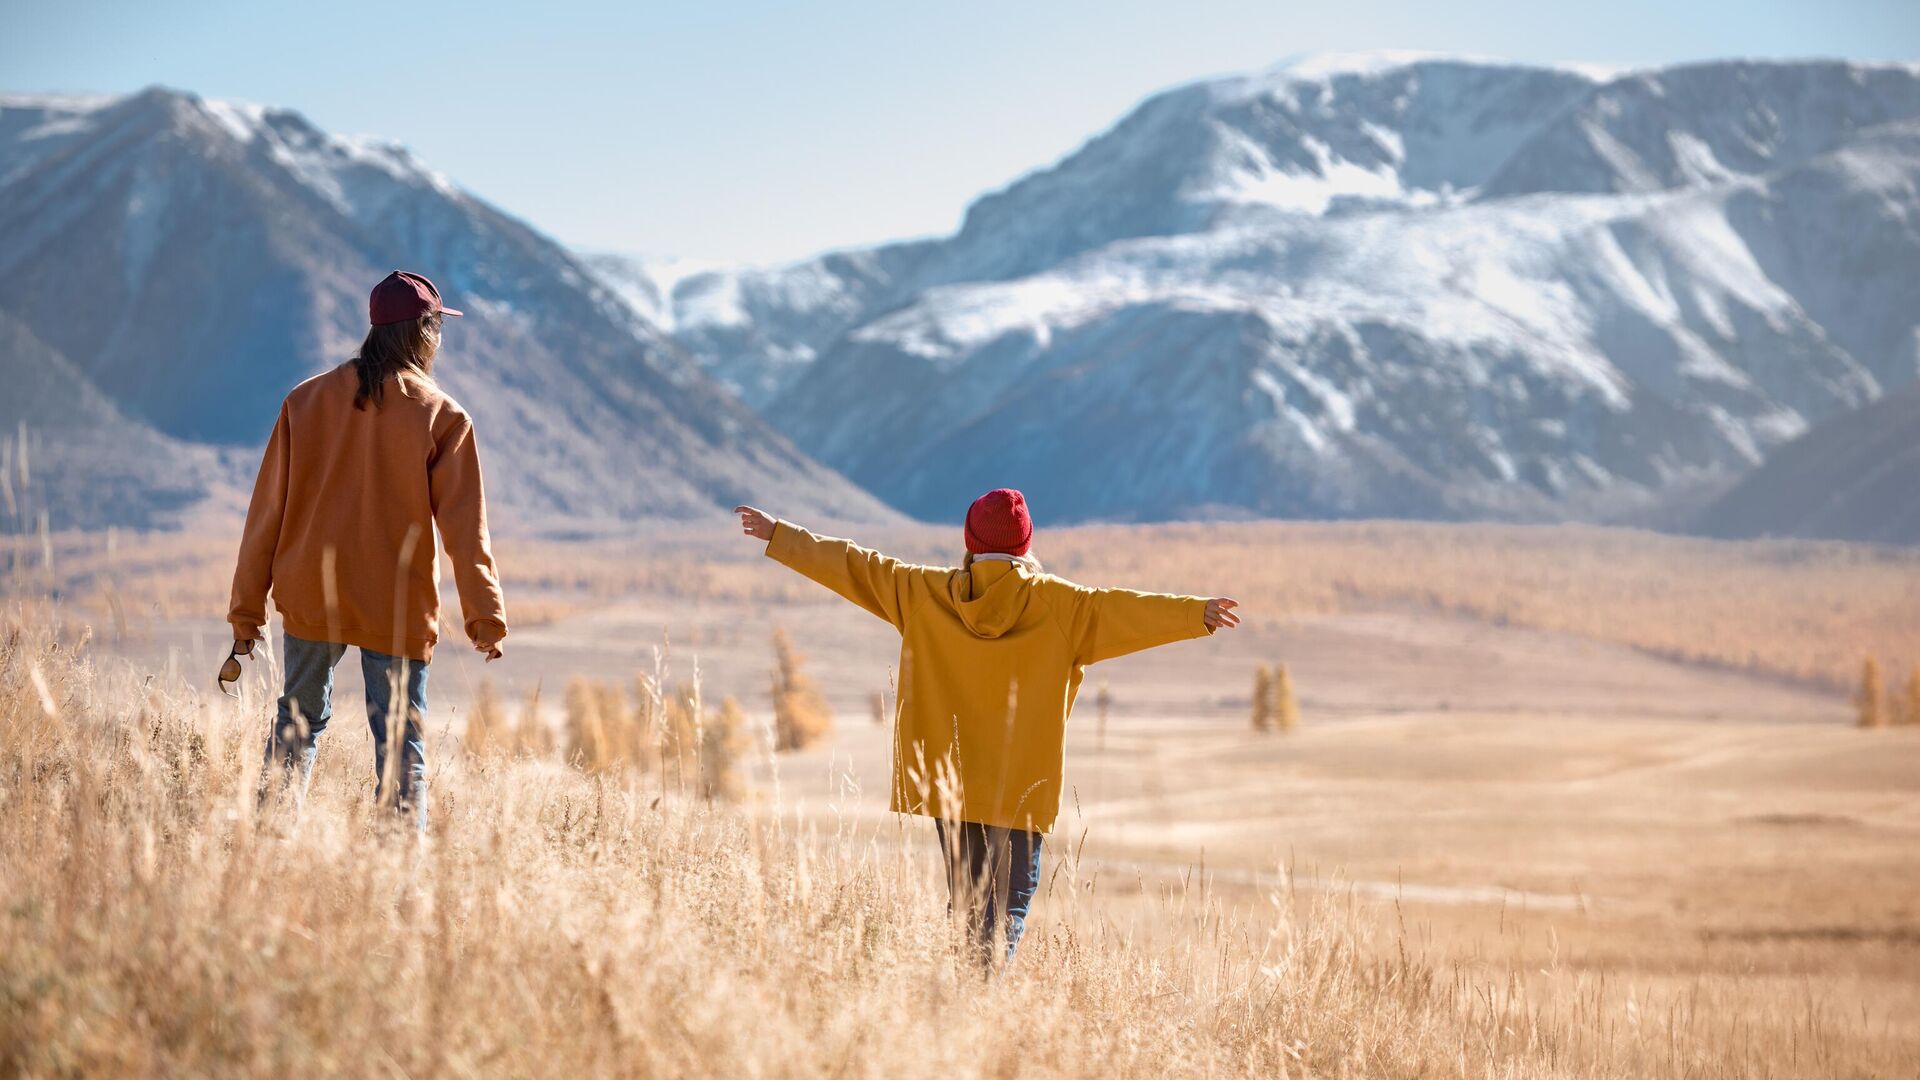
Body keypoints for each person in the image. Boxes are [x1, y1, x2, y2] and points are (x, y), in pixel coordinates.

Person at [734, 490, 1239, 965]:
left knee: (968, 905)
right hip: (1020, 788)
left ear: (970, 544)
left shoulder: (922, 592)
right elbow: (1127, 610)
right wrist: (1197, 613)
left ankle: (963, 1001)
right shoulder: (1065, 607)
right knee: (1008, 906)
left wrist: (781, 534)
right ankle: (979, 995)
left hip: (950, 784)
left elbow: (855, 565)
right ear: (1026, 544)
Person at [226, 270, 507, 829]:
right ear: (425, 331)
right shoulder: (443, 416)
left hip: (311, 592)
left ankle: (269, 849)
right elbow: (465, 531)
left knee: (295, 725)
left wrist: (246, 613)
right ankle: (398, 878)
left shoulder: (304, 401)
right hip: (395, 604)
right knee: (403, 743)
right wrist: (485, 616)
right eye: (438, 328)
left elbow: (265, 518)